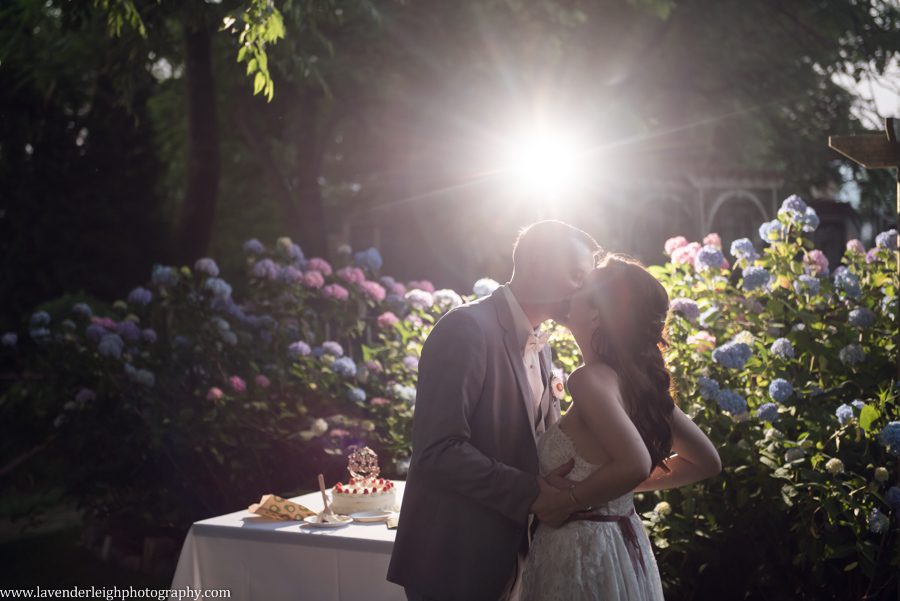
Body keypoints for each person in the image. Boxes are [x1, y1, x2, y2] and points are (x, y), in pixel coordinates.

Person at [387, 220, 602, 601]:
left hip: (515, 552)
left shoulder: (544, 344)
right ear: (537, 263)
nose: (585, 291)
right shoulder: (466, 329)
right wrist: (533, 494)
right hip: (456, 559)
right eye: (577, 275)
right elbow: (438, 450)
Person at [520, 253, 723, 600]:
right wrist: (610, 488)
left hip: (581, 555)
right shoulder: (639, 384)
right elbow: (707, 461)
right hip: (621, 544)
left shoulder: (588, 381)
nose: (571, 289)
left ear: (598, 312)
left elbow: (634, 463)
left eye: (582, 285)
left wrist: (568, 500)